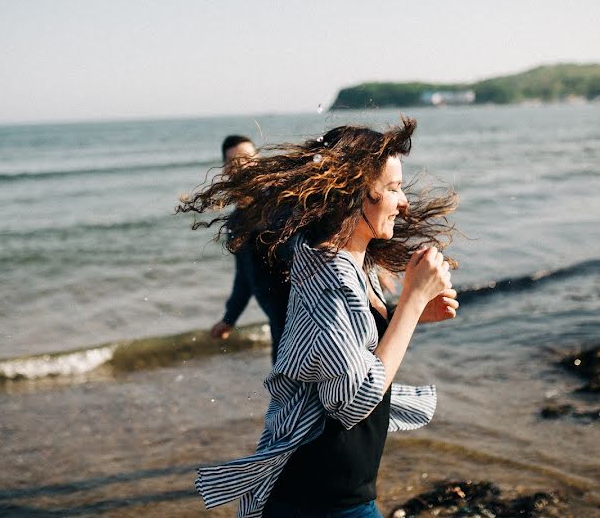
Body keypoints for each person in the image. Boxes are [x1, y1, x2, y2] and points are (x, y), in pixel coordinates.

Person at [177, 117, 459, 517]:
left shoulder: (352, 265)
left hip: (337, 493)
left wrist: (405, 314)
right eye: (394, 188)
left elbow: (351, 341)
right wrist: (412, 302)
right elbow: (351, 400)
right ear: (354, 194)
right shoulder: (329, 276)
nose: (404, 201)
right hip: (319, 500)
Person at [210, 135, 291, 363]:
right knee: (284, 393)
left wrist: (368, 265)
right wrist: (229, 318)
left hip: (308, 317)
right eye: (234, 162)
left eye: (247, 158)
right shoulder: (236, 223)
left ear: (260, 161)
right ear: (226, 170)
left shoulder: (283, 202)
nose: (243, 166)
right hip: (279, 324)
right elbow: (244, 276)